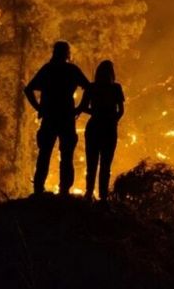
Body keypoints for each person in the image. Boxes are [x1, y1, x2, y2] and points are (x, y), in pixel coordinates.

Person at [24, 41, 90, 196]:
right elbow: (89, 87)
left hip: (50, 116)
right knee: (66, 155)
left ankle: (39, 189)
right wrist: (81, 107)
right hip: (66, 117)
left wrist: (38, 108)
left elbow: (28, 89)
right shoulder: (71, 70)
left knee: (44, 153)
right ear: (67, 53)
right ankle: (64, 191)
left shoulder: (48, 69)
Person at [75, 60, 124, 203]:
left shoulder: (91, 87)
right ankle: (103, 197)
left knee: (91, 164)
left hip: (94, 127)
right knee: (105, 165)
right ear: (111, 73)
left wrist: (95, 112)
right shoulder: (116, 88)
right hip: (109, 129)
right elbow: (121, 110)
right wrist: (113, 119)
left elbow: (82, 107)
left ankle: (89, 194)